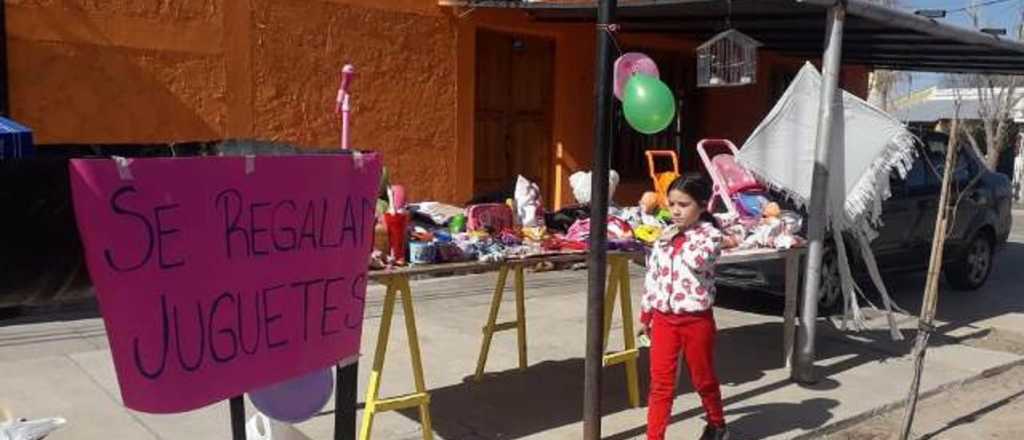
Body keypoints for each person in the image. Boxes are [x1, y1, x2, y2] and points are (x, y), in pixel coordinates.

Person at [639, 175, 729, 440]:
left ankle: (717, 423)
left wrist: (679, 237)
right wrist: (646, 313)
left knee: (703, 377)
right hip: (664, 320)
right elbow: (652, 276)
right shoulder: (665, 235)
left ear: (702, 205)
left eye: (683, 204)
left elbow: (697, 261)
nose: (676, 211)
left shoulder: (711, 236)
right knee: (661, 384)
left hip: (696, 320)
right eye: (672, 204)